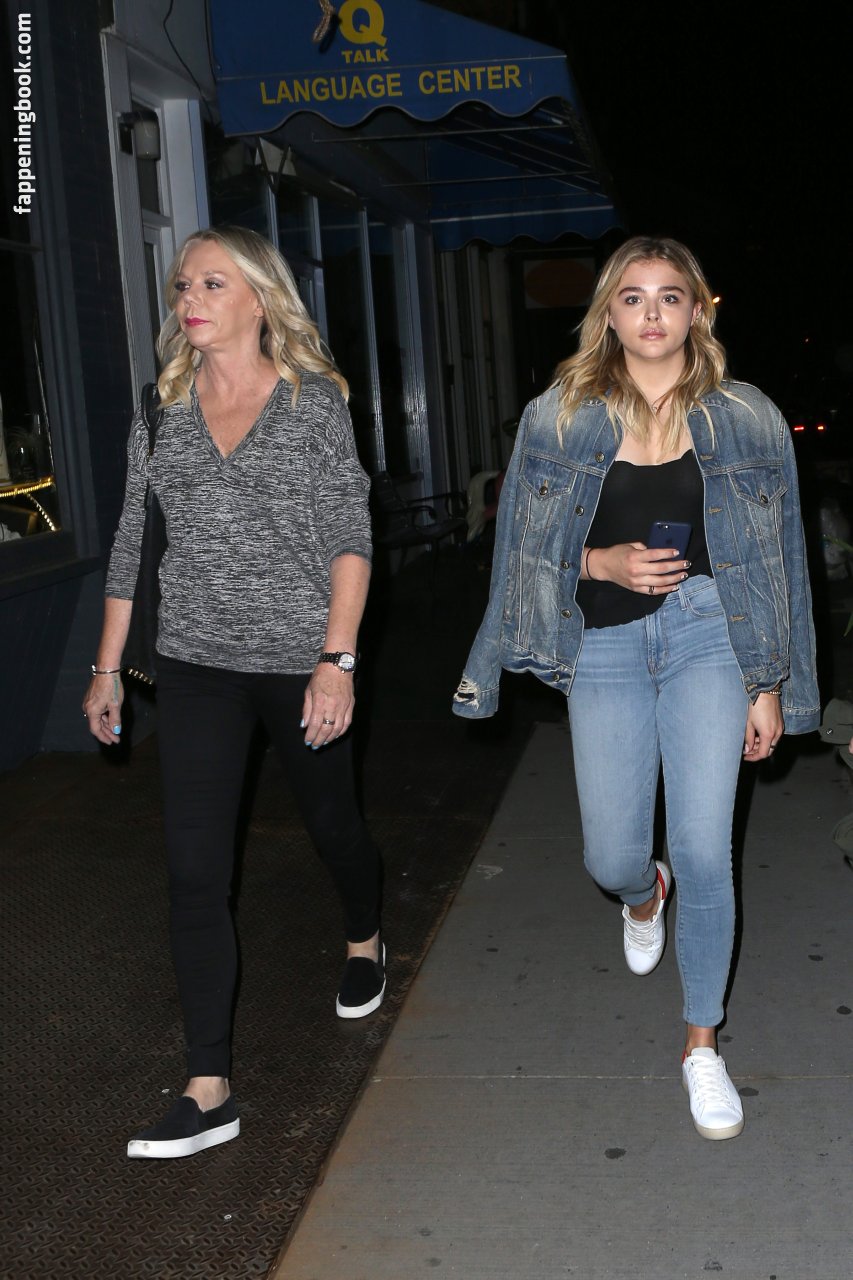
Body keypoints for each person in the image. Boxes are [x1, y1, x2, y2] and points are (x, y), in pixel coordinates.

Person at [453, 236, 819, 1141]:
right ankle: (641, 892)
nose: (651, 313)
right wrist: (598, 562)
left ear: (696, 310)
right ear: (607, 314)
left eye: (669, 296)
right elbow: (519, 549)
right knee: (610, 856)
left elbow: (781, 561)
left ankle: (701, 1046)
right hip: (602, 640)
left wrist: (769, 683)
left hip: (709, 632)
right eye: (631, 297)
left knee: (705, 850)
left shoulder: (748, 417)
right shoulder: (558, 415)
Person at [83, 225, 385, 1159]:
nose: (190, 300)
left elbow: (349, 536)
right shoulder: (161, 408)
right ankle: (208, 1087)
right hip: (196, 667)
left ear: (260, 297)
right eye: (183, 285)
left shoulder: (312, 403)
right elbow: (133, 540)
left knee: (331, 823)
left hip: (301, 662)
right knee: (193, 872)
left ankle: (365, 934)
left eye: (212, 283)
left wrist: (336, 662)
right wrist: (106, 666)